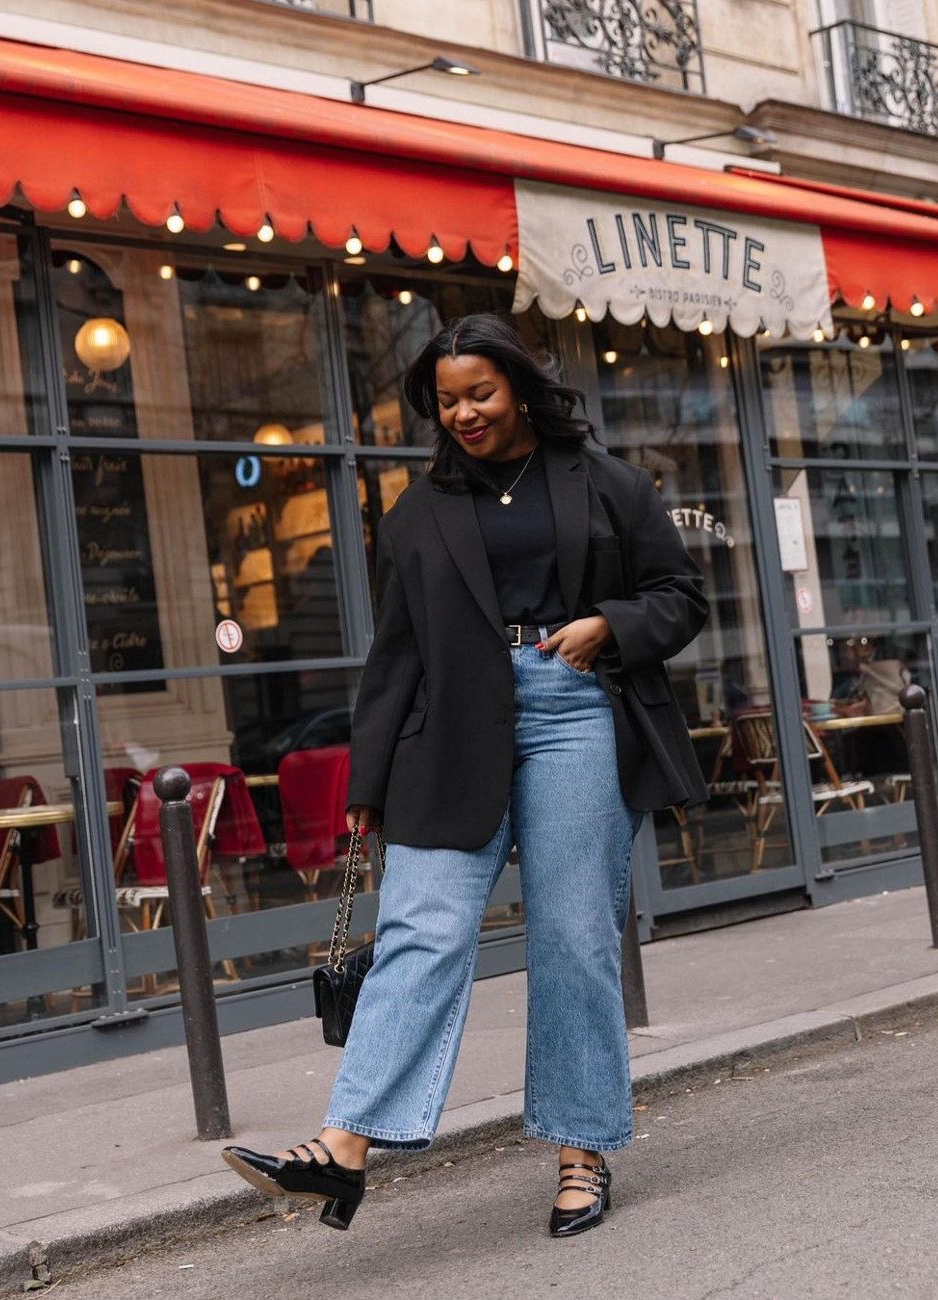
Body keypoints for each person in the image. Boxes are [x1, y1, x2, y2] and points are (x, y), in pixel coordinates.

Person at [222, 313, 709, 1237]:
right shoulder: (416, 515)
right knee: (421, 928)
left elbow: (679, 596)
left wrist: (608, 624)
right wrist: (367, 790)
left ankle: (581, 1150)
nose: (464, 415)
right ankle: (344, 1149)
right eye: (446, 402)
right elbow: (394, 657)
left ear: (520, 387)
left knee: (572, 936)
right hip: (450, 729)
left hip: (572, 713)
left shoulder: (606, 482)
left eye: (479, 394)